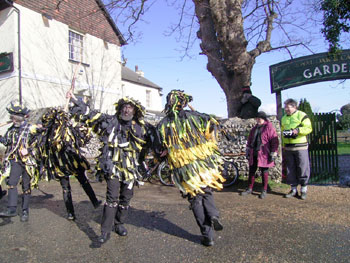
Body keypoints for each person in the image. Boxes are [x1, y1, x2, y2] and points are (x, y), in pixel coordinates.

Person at [67, 91, 154, 244]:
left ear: (135, 111)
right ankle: (105, 232)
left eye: (130, 108)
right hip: (113, 167)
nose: (126, 110)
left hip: (130, 171)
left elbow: (155, 140)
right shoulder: (111, 122)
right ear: (120, 109)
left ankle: (119, 224)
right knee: (111, 198)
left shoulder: (141, 128)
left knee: (126, 198)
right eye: (124, 107)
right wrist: (75, 99)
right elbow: (91, 114)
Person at [154, 90, 225, 247]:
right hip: (202, 162)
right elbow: (211, 124)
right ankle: (213, 215)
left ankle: (207, 236)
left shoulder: (163, 124)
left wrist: (164, 154)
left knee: (195, 198)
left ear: (169, 103)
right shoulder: (195, 116)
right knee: (206, 191)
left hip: (183, 168)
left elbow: (158, 148)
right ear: (183, 103)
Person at [39, 108, 101, 220]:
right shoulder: (58, 133)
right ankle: (88, 205)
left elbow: (82, 138)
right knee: (77, 184)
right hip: (66, 164)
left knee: (73, 185)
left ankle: (75, 211)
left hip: (69, 163)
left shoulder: (57, 132)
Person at [0, 103, 41, 221]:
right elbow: (6, 142)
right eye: (12, 118)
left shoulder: (30, 128)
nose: (12, 120)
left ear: (20, 118)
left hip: (28, 162)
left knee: (26, 186)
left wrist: (28, 150)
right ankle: (12, 208)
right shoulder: (11, 129)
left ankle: (24, 211)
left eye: (14, 118)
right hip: (15, 160)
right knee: (11, 182)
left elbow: (39, 142)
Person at [240, 111, 279, 199]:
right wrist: (248, 149)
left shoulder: (269, 127)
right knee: (252, 171)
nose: (257, 120)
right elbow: (250, 140)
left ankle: (264, 190)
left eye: (259, 118)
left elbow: (274, 141)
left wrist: (273, 152)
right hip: (254, 152)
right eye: (256, 118)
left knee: (264, 172)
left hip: (264, 153)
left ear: (263, 118)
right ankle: (249, 188)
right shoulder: (254, 129)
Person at [281, 99, 312, 200]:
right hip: (288, 147)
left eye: (288, 107)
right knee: (290, 168)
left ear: (294, 107)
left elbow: (308, 128)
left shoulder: (302, 115)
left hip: (301, 146)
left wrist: (298, 130)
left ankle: (303, 189)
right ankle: (293, 189)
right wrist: (283, 144)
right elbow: (282, 132)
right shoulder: (284, 118)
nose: (286, 109)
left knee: (302, 167)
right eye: (285, 107)